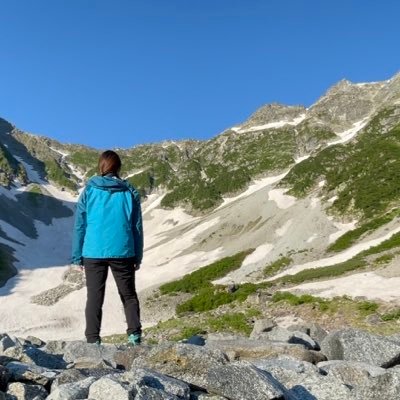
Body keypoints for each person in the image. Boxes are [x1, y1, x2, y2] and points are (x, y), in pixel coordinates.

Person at [71, 150, 143, 346]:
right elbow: (136, 226)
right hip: (123, 250)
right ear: (118, 168)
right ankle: (134, 336)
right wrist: (138, 255)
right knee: (128, 295)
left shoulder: (89, 190)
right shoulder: (130, 192)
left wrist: (77, 256)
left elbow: (80, 225)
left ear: (101, 167)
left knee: (94, 296)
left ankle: (93, 340)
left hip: (93, 251)